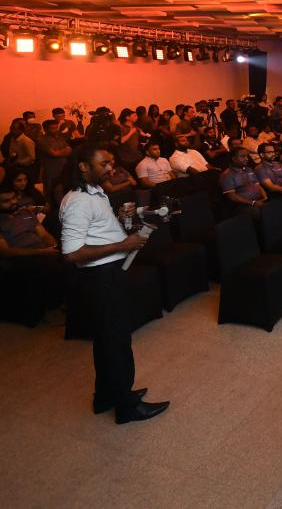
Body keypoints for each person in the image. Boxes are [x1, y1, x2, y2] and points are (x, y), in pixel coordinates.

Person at [59, 143, 169, 424]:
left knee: (106, 339)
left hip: (109, 273)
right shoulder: (79, 201)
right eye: (104, 163)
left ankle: (106, 396)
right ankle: (126, 406)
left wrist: (119, 223)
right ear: (83, 166)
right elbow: (72, 253)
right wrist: (123, 244)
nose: (111, 168)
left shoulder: (94, 192)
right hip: (100, 278)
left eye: (111, 162)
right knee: (116, 341)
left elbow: (95, 232)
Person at [0, 185, 65, 325]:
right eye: (6, 201)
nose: (12, 202)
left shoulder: (25, 213)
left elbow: (44, 234)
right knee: (47, 266)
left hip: (41, 251)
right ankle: (52, 306)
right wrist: (42, 252)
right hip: (19, 257)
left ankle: (66, 302)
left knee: (70, 256)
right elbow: (6, 251)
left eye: (13, 198)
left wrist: (53, 245)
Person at [219, 147, 267, 213]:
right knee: (258, 212)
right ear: (234, 159)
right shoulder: (227, 175)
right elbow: (232, 197)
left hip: (258, 200)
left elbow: (257, 185)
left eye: (247, 156)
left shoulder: (249, 169)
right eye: (242, 156)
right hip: (243, 205)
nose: (247, 159)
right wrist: (253, 203)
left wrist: (265, 197)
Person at [36, 119, 71, 200]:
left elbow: (69, 150)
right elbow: (54, 154)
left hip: (63, 169)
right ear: (45, 129)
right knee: (51, 194)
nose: (55, 130)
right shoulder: (41, 140)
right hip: (50, 171)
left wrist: (58, 152)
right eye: (52, 128)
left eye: (56, 128)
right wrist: (62, 152)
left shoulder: (60, 138)